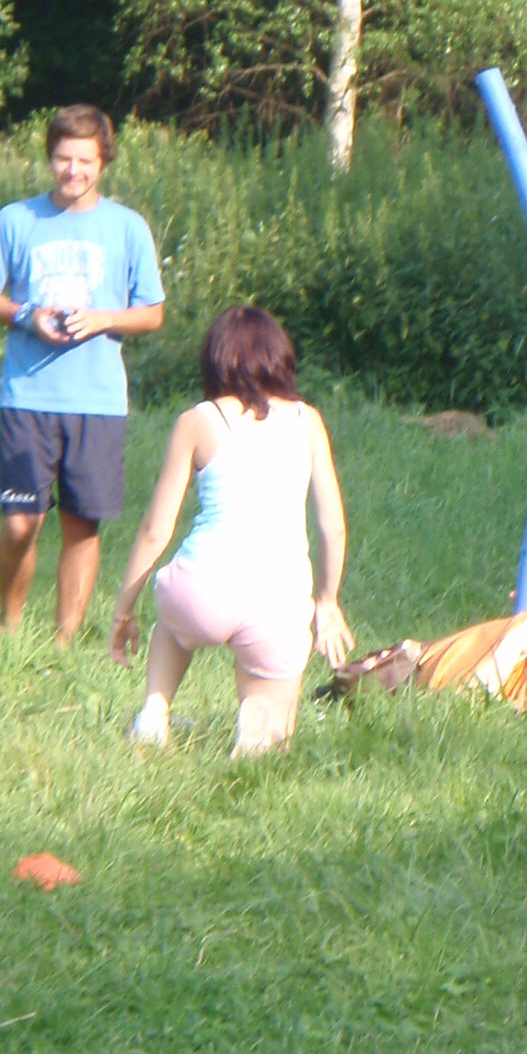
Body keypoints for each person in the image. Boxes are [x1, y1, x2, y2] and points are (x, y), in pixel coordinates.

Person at [109, 305, 354, 756]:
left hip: (204, 587)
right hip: (280, 599)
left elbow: (155, 530)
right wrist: (327, 602)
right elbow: (333, 527)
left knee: (174, 624)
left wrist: (124, 609)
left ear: (215, 359)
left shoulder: (199, 420)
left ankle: (154, 714)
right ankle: (258, 724)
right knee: (274, 714)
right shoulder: (309, 422)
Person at [0, 106, 165, 642]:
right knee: (20, 523)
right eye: (62, 158)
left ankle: (64, 642)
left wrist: (103, 319)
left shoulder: (127, 227)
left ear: (104, 161)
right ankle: (9, 627)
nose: (72, 170)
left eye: (84, 159)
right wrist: (26, 315)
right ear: (49, 157)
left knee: (81, 525)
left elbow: (152, 313)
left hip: (96, 401)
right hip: (27, 395)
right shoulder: (16, 220)